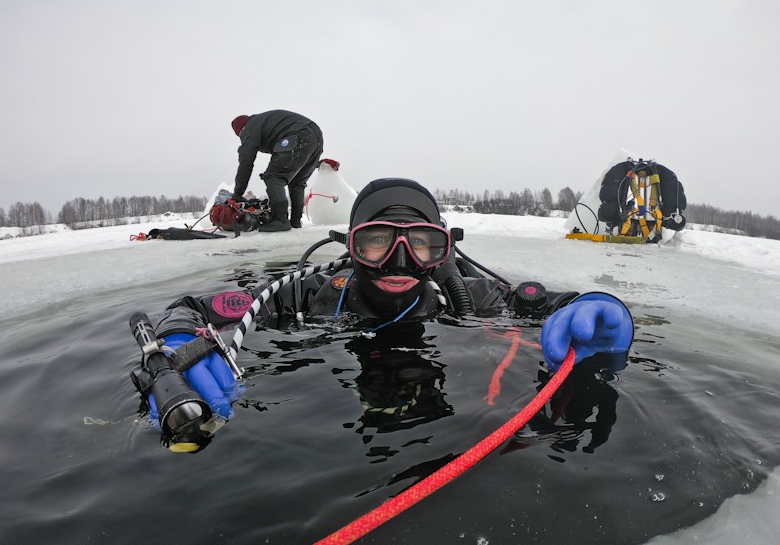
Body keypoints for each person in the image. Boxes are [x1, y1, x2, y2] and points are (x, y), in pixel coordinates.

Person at [132, 178, 634, 451]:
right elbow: (194, 308)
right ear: (352, 248)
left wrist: (594, 306)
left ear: (443, 249)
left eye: (420, 244)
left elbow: (544, 303)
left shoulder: (469, 296)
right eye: (376, 242)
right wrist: (178, 342)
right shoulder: (311, 295)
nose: (398, 261)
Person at [231, 110, 324, 232]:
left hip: (298, 134)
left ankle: (281, 220)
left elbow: (246, 163)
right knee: (297, 183)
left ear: (241, 130)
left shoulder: (249, 128)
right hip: (315, 138)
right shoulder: (263, 122)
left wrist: (237, 193)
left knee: (273, 177)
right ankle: (295, 222)